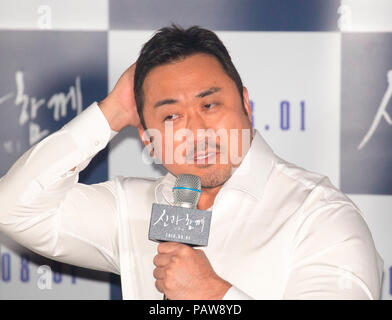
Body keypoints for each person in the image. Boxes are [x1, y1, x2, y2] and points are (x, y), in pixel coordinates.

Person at [0, 25, 384, 300]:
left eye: (209, 105)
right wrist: (111, 112)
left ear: (246, 105)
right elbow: (14, 209)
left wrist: (215, 297)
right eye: (170, 117)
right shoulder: (134, 208)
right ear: (147, 134)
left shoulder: (320, 215)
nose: (195, 131)